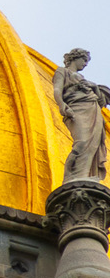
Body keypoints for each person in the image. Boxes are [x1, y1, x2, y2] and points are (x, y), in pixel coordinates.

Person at [53, 49, 110, 184]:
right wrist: (61, 105)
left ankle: (84, 174)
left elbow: (99, 99)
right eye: (84, 60)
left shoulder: (83, 79)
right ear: (75, 58)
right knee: (82, 142)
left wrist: (94, 87)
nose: (85, 64)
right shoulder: (62, 71)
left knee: (93, 144)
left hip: (92, 109)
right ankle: (70, 175)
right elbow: (57, 89)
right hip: (76, 109)